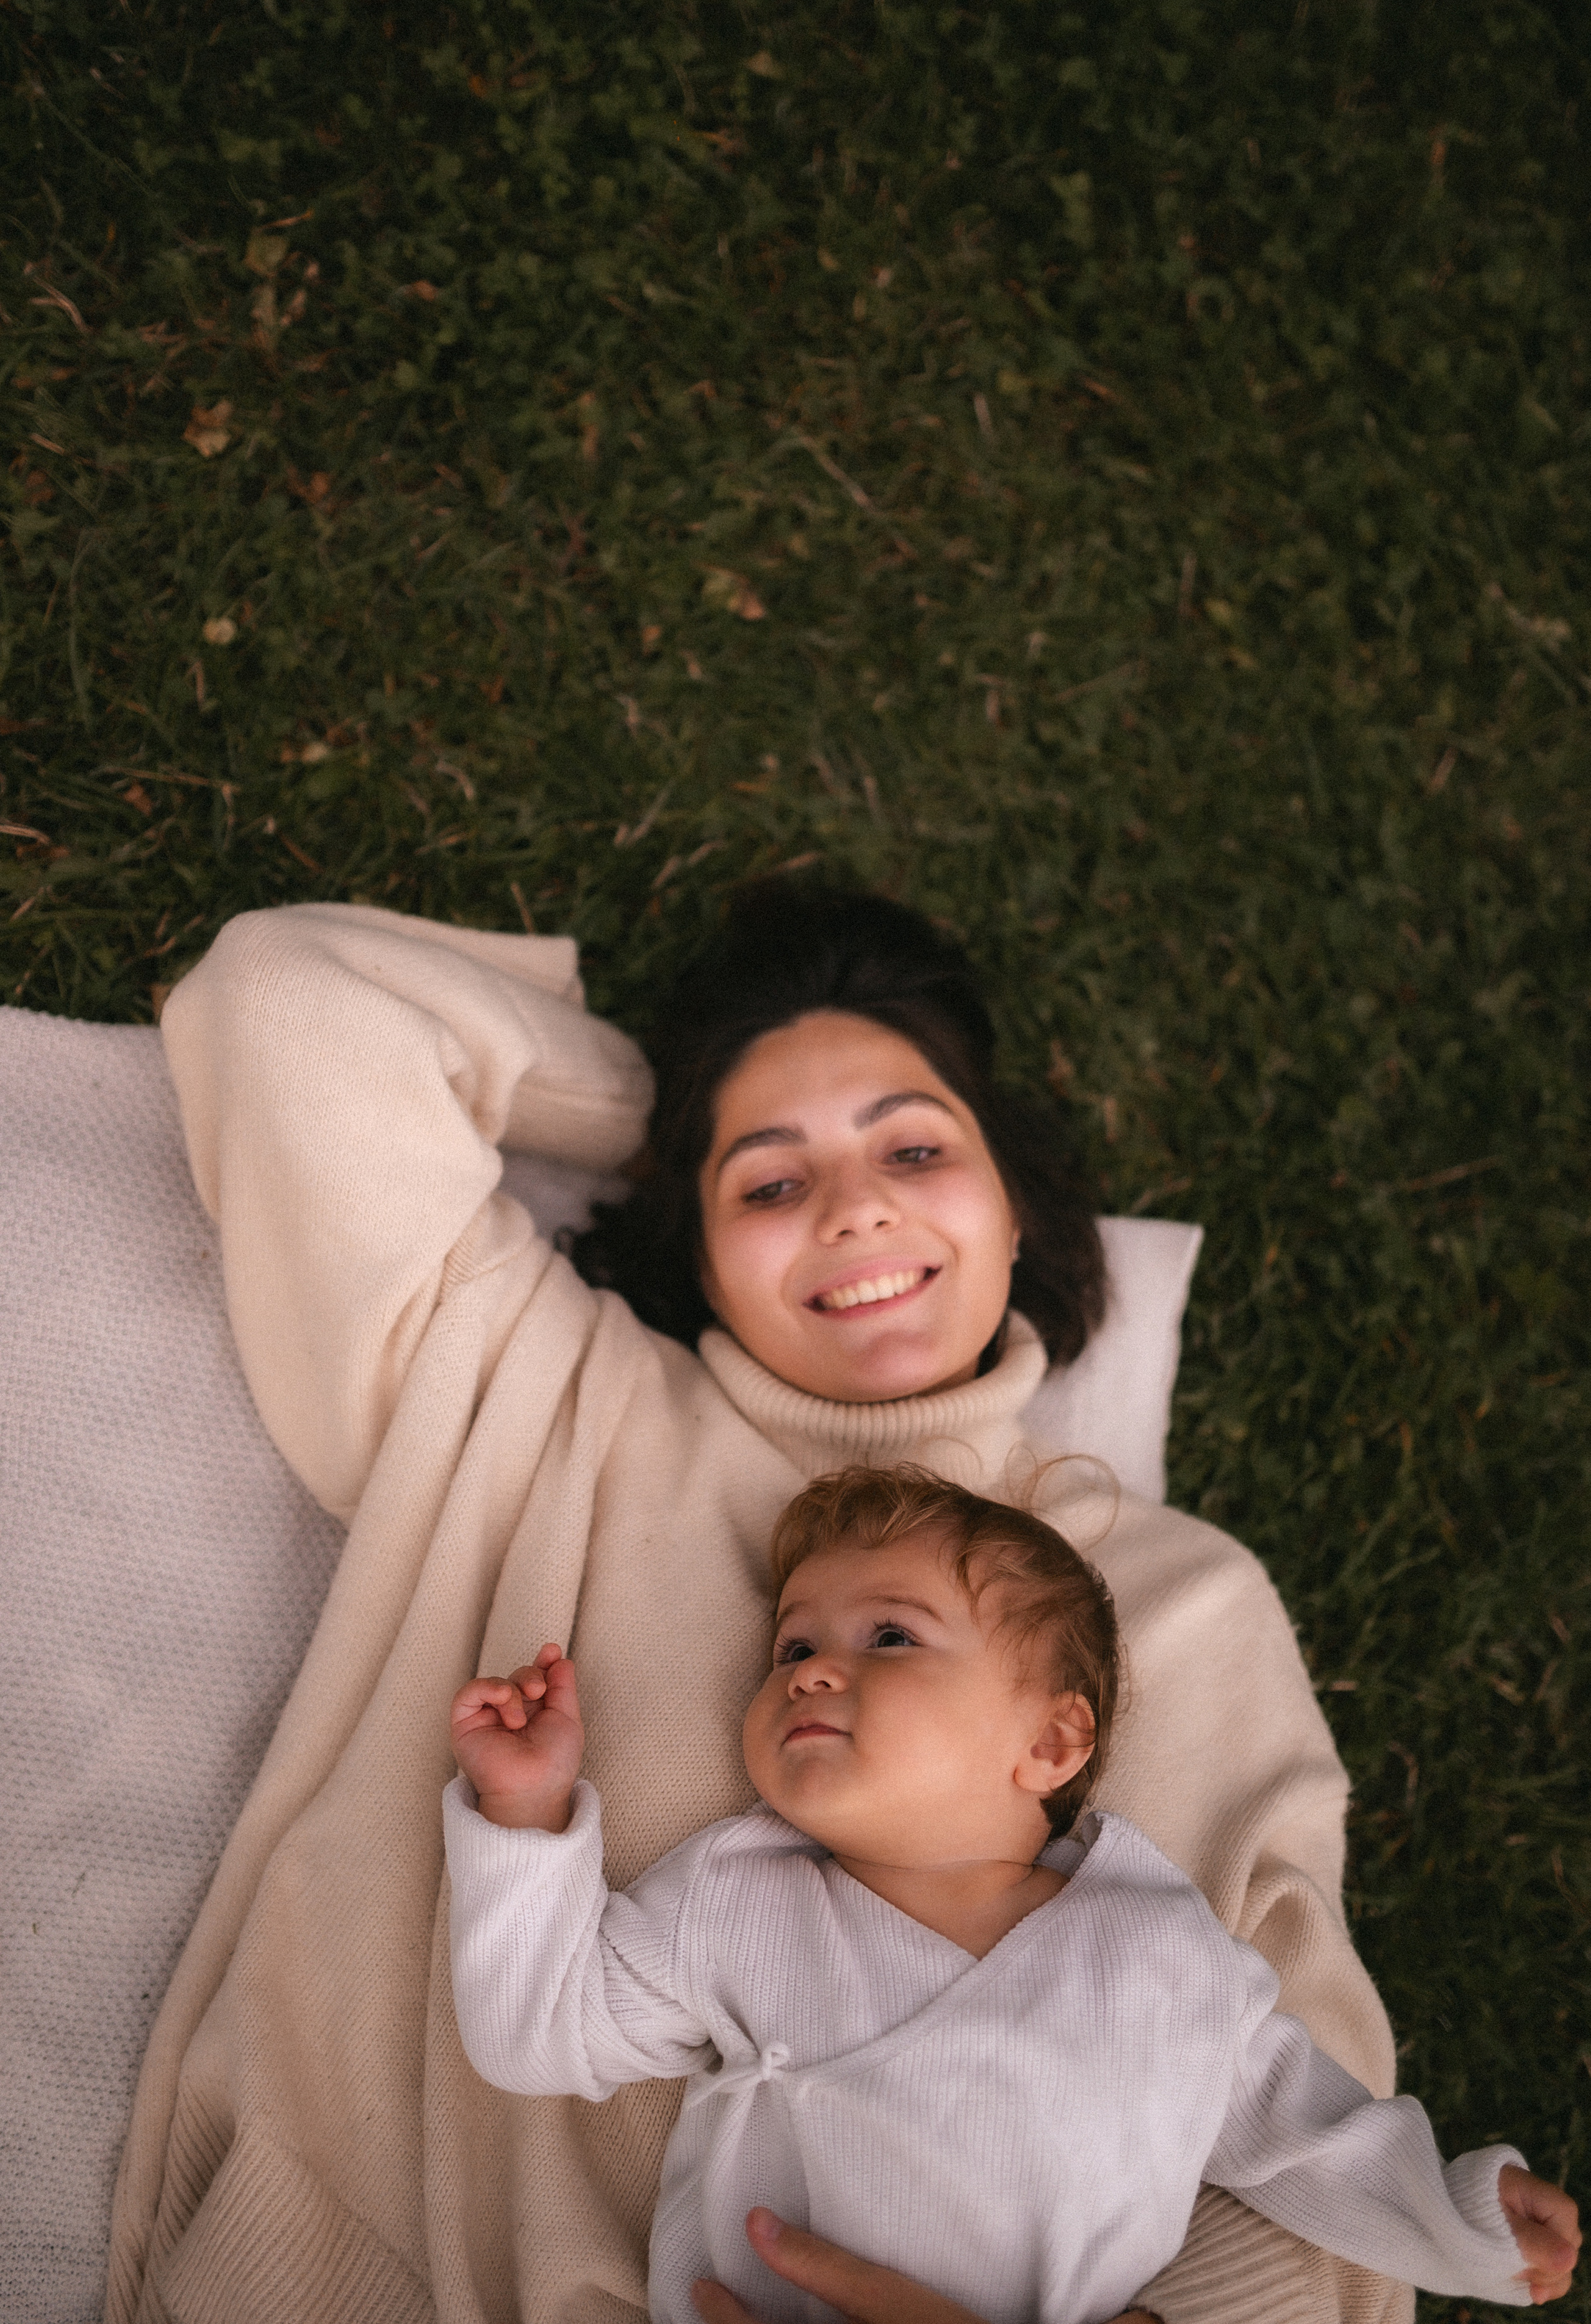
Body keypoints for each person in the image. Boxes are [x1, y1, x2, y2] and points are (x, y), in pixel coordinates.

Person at [112, 881, 1434, 2324]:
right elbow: (291, 996)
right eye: (766, 1183)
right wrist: (671, 1112)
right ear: (694, 1247)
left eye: (915, 1147)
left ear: (1013, 1203)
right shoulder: (550, 1396)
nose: (855, 1204)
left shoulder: (1173, 1605)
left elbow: (1314, 2143)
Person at [444, 1466, 1579, 2324]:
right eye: (790, 1647)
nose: (812, 1670)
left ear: (1050, 1742)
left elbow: (1305, 2137)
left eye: (891, 1636)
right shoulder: (737, 1901)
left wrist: (1459, 2218)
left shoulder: (1156, 1949)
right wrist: (527, 1812)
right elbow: (541, 2030)